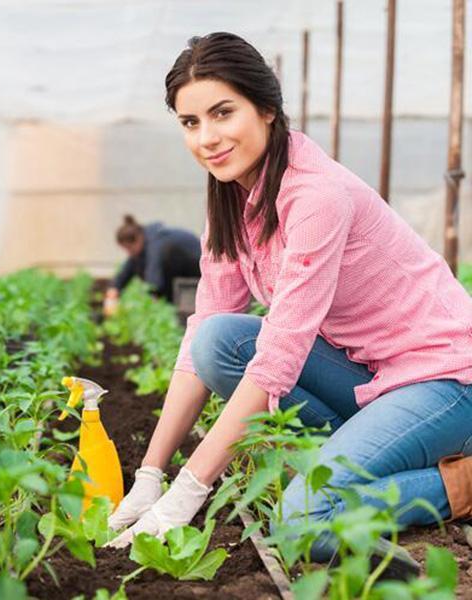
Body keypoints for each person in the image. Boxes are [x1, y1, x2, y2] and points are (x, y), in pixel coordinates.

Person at [106, 32, 472, 559]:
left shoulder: (316, 195)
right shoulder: (232, 203)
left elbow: (280, 356)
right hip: (370, 377)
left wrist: (189, 490)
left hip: (444, 379)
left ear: (267, 109)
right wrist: (149, 475)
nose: (207, 137)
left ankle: (454, 484)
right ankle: (364, 454)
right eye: (191, 122)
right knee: (218, 341)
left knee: (302, 521)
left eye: (223, 113)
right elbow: (203, 331)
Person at [103, 215, 201, 313]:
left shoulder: (156, 243)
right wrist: (114, 289)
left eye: (129, 249)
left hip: (195, 275)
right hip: (181, 278)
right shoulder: (144, 243)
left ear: (138, 238)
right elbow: (129, 267)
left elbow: (154, 278)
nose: (129, 253)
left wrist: (150, 298)